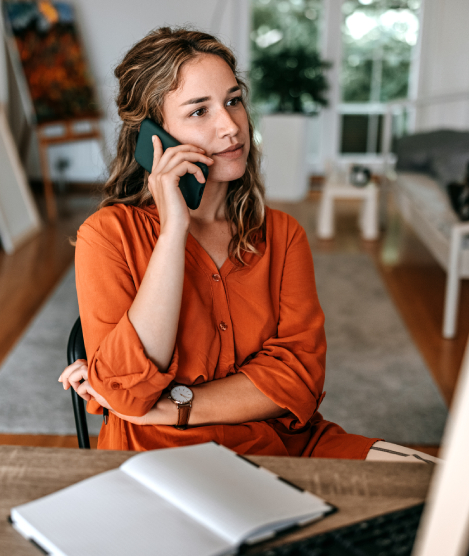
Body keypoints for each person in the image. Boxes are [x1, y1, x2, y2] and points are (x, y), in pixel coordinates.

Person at [59, 27, 438, 463]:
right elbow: (127, 391)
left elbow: (299, 378)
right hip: (161, 455)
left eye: (233, 100)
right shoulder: (108, 235)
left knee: (436, 486)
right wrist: (173, 231)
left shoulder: (282, 234)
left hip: (284, 447)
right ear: (153, 137)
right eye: (199, 112)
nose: (231, 126)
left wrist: (172, 405)